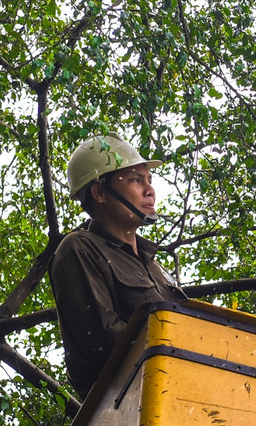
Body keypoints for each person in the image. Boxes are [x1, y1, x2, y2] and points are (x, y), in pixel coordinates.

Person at [49, 134, 185, 401]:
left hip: (176, 399)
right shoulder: (79, 250)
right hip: (127, 410)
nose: (150, 190)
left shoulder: (153, 265)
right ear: (100, 193)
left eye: (149, 180)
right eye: (136, 180)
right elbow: (108, 347)